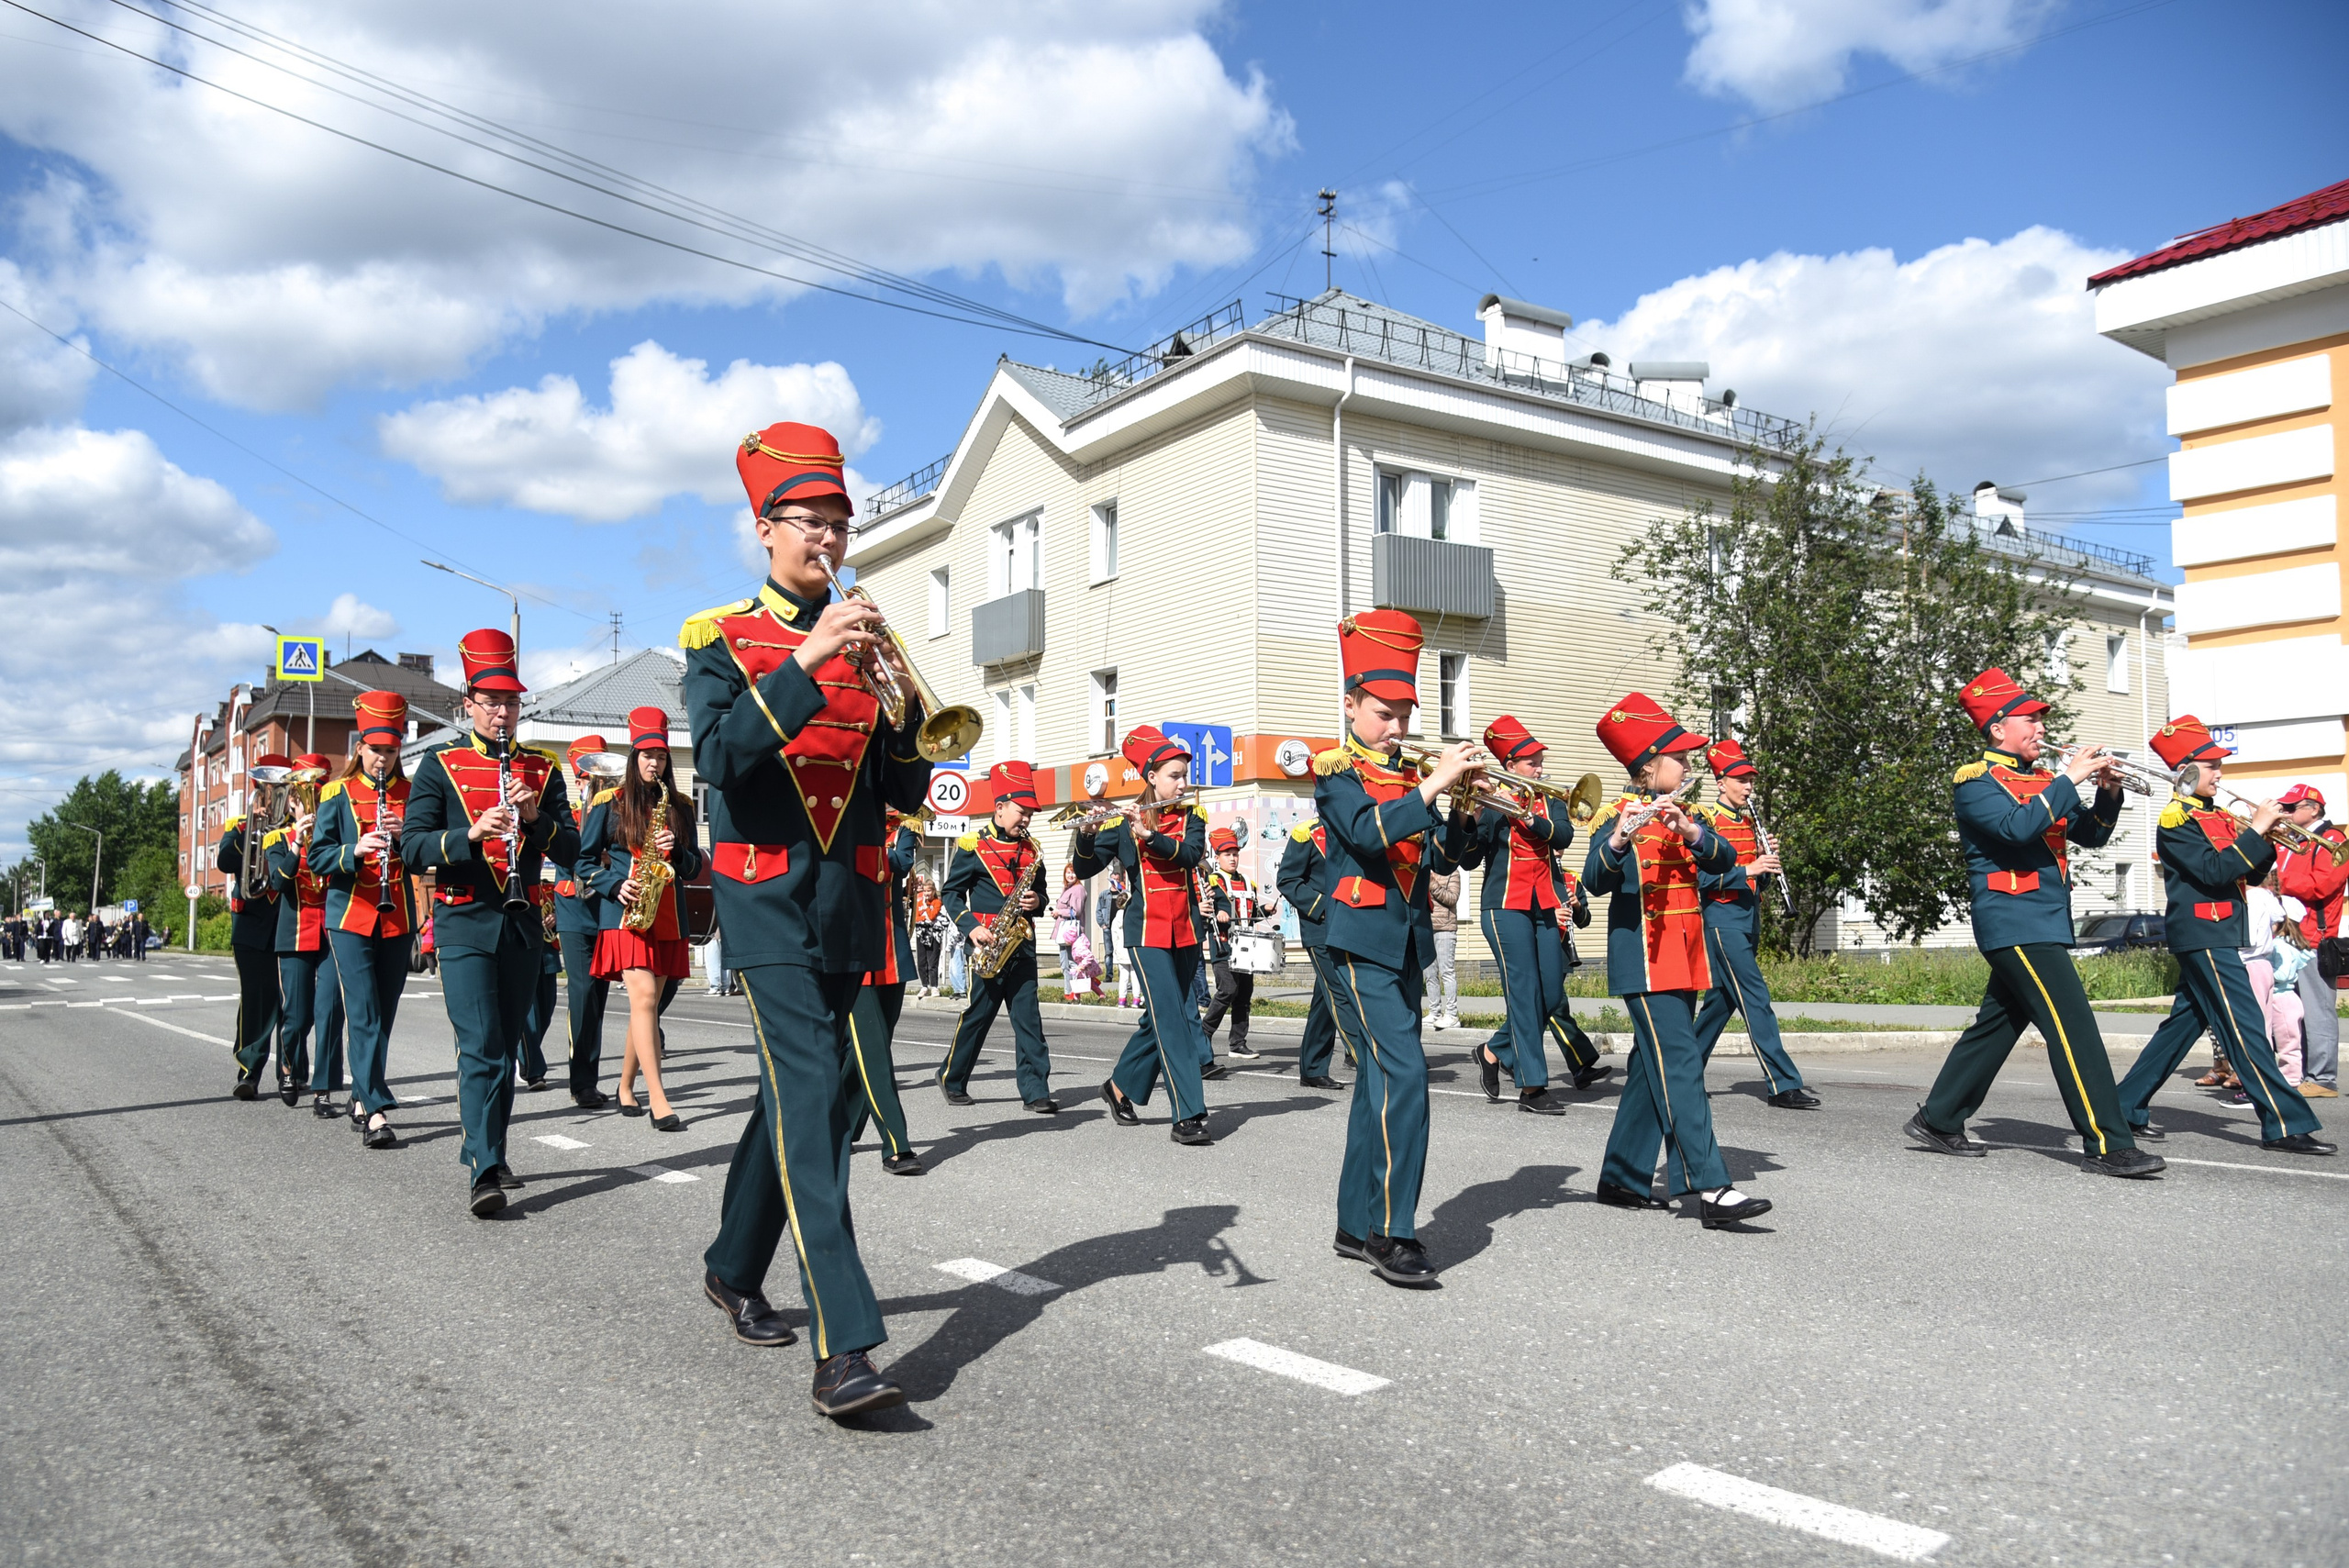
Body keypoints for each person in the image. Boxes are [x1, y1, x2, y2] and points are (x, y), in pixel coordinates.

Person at [685, 418, 932, 1418]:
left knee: (811, 1098)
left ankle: (731, 1261)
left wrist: (908, 715)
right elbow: (719, 756)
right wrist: (808, 656)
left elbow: (904, 788)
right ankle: (844, 1344)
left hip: (849, 892)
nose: (828, 536)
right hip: (763, 889)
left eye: (839, 518)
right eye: (809, 520)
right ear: (766, 528)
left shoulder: (879, 637)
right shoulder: (719, 637)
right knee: (811, 1086)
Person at [1904, 668, 2161, 1177]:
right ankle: (2110, 1143)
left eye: (2042, 720)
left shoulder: (2046, 782)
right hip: (2012, 919)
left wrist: (2107, 792)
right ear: (1998, 728)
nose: (2042, 729)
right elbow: (2017, 829)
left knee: (1997, 1026)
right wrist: (2070, 780)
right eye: (2031, 720)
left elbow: (2089, 836)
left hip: (2042, 920)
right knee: (2075, 1027)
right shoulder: (1976, 783)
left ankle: (1940, 1117)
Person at [1316, 613, 1479, 1283]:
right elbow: (1367, 833)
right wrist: (1435, 785)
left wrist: (1467, 808)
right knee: (1407, 1073)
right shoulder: (1337, 772)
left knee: (1381, 1082)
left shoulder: (1409, 775)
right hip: (1360, 941)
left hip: (1407, 942)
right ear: (1351, 705)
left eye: (1406, 714)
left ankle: (1355, 1226)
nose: (1398, 728)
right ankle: (1392, 1231)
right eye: (1385, 713)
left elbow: (1443, 854)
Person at [401, 628, 578, 1217]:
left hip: (523, 925)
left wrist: (537, 823)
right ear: (468, 702)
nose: (504, 713)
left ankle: (487, 1148)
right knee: (480, 1045)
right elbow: (413, 846)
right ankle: (484, 1165)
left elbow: (574, 848)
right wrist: (470, 835)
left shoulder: (542, 768)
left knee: (503, 1047)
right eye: (492, 701)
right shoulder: (439, 765)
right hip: (463, 920)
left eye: (512, 702)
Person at [1584, 694, 1774, 1227]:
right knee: (1683, 1067)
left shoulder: (1687, 816)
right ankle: (1711, 1187)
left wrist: (1689, 830)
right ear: (1649, 766)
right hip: (1644, 961)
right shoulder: (1615, 815)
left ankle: (1622, 1177)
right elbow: (1594, 881)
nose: (1690, 766)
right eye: (1680, 758)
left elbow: (1726, 860)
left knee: (1653, 1068)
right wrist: (1622, 834)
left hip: (1685, 956)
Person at [2114, 717, 2332, 1153]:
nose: (2219, 774)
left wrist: (2264, 834)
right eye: (2211, 765)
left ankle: (2122, 1107)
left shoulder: (2216, 815)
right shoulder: (2177, 819)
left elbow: (2248, 871)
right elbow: (2215, 871)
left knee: (2179, 1029)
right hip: (2203, 932)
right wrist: (2253, 830)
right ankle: (2285, 1123)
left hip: (2220, 931)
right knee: (2247, 1025)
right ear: (2188, 770)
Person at [1074, 728, 1214, 1140]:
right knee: (1173, 1022)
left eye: (1184, 775)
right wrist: (1085, 835)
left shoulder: (1193, 817)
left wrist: (1152, 838)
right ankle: (1188, 1113)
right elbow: (1086, 869)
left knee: (1162, 1019)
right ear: (1151, 777)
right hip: (1145, 931)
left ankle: (1118, 1087)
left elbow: (1191, 856)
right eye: (1174, 776)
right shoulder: (1120, 822)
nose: (1182, 783)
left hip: (1186, 928)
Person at [579, 706, 701, 1131]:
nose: (655, 763)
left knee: (644, 1006)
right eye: (647, 756)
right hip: (626, 912)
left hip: (667, 913)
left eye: (662, 757)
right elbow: (583, 861)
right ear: (634, 758)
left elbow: (692, 869)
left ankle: (625, 1087)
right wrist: (613, 884)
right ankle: (659, 1099)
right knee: (644, 999)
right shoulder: (608, 803)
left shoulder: (680, 806)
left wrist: (678, 851)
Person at [307, 692, 417, 1149]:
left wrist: (405, 838)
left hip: (398, 917)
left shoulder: (413, 795)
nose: (383, 760)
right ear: (360, 748)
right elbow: (316, 857)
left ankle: (360, 1093)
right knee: (365, 1011)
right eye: (376, 750)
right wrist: (353, 851)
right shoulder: (336, 794)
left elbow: (426, 857)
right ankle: (373, 1110)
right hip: (350, 914)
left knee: (384, 1014)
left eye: (391, 752)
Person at [1690, 739, 1817, 1108]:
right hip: (1721, 920)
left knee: (1721, 1003)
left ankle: (1681, 1070)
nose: (1748, 786)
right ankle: (1782, 1083)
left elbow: (1754, 879)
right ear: (1721, 781)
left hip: (1748, 918)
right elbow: (1699, 880)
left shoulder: (1747, 821)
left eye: (1750, 780)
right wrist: (1750, 868)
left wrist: (1764, 864)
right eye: (1740, 779)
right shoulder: (1705, 821)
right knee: (1756, 998)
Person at [1462, 715, 1575, 1116]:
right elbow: (1470, 858)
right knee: (1524, 993)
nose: (1540, 767)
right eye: (1531, 761)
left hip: (1544, 902)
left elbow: (1563, 836)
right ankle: (1532, 1087)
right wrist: (1475, 812)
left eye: (1540, 759)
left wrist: (1524, 814)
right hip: (1504, 905)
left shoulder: (1551, 798)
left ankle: (1493, 1051)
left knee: (1551, 992)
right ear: (1510, 766)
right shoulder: (1491, 802)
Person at [937, 762, 1056, 1111]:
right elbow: (951, 894)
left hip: (1022, 945)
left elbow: (1044, 894)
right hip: (987, 945)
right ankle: (952, 1077)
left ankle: (1036, 1091)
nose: (1027, 820)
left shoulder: (1032, 850)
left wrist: (1038, 902)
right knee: (978, 1016)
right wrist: (971, 926)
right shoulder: (972, 846)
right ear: (1000, 808)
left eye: (1031, 814)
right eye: (1022, 812)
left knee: (1028, 1019)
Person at [265, 753, 348, 1115]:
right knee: (297, 1015)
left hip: (332, 929)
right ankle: (288, 1066)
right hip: (295, 931)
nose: (309, 801)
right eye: (304, 795)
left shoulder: (335, 837)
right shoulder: (277, 838)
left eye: (316, 792)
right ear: (293, 801)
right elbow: (277, 882)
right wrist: (298, 842)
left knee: (330, 1010)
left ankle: (324, 1090)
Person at [847, 808, 923, 1174]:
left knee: (864, 1052)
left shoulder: (903, 827)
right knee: (873, 1053)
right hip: (851, 954)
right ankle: (897, 1144)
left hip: (892, 953)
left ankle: (840, 1128)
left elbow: (900, 862)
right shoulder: (839, 822)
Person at [218, 756, 290, 1100]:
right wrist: (250, 829)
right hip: (251, 923)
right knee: (257, 1000)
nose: (273, 795)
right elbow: (225, 861)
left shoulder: (298, 823)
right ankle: (250, 1070)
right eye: (268, 789)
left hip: (290, 919)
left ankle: (292, 1071)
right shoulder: (240, 824)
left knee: (294, 1001)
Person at [551, 735, 615, 1106]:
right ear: (577, 779)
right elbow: (565, 855)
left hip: (603, 907)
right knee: (582, 992)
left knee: (599, 996)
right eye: (589, 777)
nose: (597, 784)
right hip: (574, 907)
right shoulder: (569, 815)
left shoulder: (613, 808)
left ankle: (588, 1075)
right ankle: (582, 1081)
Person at [2274, 784, 2345, 1098]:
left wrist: (2278, 881)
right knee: (2292, 1011)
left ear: (2314, 808)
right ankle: (2298, 1071)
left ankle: (2323, 1078)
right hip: (2289, 934)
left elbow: (2322, 885)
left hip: (2315, 936)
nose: (2286, 813)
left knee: (2318, 1012)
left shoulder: (2333, 841)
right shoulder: (2293, 840)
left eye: (2292, 808)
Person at [1276, 815, 1346, 1090]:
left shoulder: (1353, 827)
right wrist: (1322, 906)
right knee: (1342, 993)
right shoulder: (1307, 833)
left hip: (1350, 925)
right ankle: (1370, 1058)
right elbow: (1287, 879)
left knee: (1325, 1000)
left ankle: (1313, 1067)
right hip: (1321, 926)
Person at [1200, 828, 1270, 1059]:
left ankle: (1237, 1043)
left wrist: (1265, 911)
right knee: (1227, 990)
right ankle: (1204, 1034)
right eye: (1227, 854)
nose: (1232, 858)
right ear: (1217, 857)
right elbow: (1202, 911)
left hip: (1247, 948)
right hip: (1223, 946)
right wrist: (1217, 913)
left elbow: (1250, 912)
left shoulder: (1249, 883)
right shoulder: (1211, 881)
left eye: (1235, 854)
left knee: (1244, 995)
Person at [1054, 864, 1101, 998]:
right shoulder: (1067, 888)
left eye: (1073, 873)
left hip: (1071, 934)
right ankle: (1071, 991)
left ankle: (1074, 993)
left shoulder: (1078, 889)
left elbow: (1076, 911)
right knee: (1065, 964)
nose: (1070, 875)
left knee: (1071, 964)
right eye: (1068, 873)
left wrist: (1059, 912)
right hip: (1064, 934)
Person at [1424, 868, 1461, 1030]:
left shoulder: (1452, 872)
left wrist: (1433, 885)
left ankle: (1452, 1015)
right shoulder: (1425, 871)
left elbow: (1453, 898)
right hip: (1426, 928)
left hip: (1446, 928)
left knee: (1447, 972)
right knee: (1430, 974)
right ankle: (1435, 1012)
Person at [913, 874, 944, 997]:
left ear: (933, 891)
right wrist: (923, 914)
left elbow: (932, 916)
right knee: (921, 961)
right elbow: (917, 918)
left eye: (929, 891)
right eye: (925, 891)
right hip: (921, 932)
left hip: (933, 934)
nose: (926, 893)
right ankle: (924, 985)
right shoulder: (920, 901)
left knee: (932, 961)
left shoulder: (936, 902)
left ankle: (934, 987)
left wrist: (926, 908)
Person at [1096, 865, 1123, 985]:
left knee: (1121, 951)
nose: (1115, 882)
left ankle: (1123, 976)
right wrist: (1102, 925)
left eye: (1117, 879)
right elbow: (1099, 910)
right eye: (1113, 879)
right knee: (1108, 952)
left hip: (1120, 928)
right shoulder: (1104, 894)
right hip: (1108, 927)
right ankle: (1109, 975)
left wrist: (1122, 890)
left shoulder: (1123, 894)